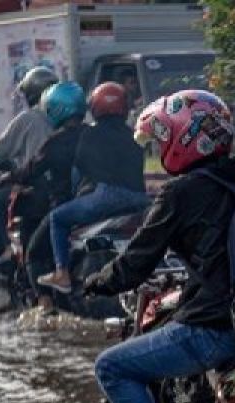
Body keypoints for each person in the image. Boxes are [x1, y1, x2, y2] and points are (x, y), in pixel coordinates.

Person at [81, 89, 235, 403]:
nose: (159, 147)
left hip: (215, 325)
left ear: (183, 139)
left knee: (111, 367)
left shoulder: (181, 192)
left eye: (162, 138)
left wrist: (97, 281)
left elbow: (136, 262)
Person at [37, 82, 148, 294]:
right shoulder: (134, 135)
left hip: (106, 197)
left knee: (57, 218)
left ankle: (62, 273)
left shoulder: (91, 134)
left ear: (95, 107)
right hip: (139, 198)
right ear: (124, 107)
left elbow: (79, 169)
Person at [2, 81, 87, 305]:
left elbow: (30, 170)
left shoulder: (56, 142)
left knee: (34, 253)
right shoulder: (92, 135)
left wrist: (9, 177)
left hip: (64, 205)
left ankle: (44, 304)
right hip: (93, 203)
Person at [0, 67, 58, 277]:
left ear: (31, 94)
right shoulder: (71, 120)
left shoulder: (28, 119)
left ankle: (7, 248)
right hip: (65, 188)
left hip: (38, 188)